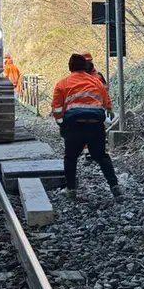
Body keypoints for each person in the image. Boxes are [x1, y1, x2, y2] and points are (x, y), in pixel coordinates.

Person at [51, 52, 123, 201]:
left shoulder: (62, 83)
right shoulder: (96, 81)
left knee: (70, 157)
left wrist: (61, 125)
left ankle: (71, 190)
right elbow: (104, 100)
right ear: (85, 66)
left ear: (70, 67)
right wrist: (109, 109)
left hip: (74, 126)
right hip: (95, 125)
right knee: (101, 156)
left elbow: (56, 108)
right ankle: (115, 187)